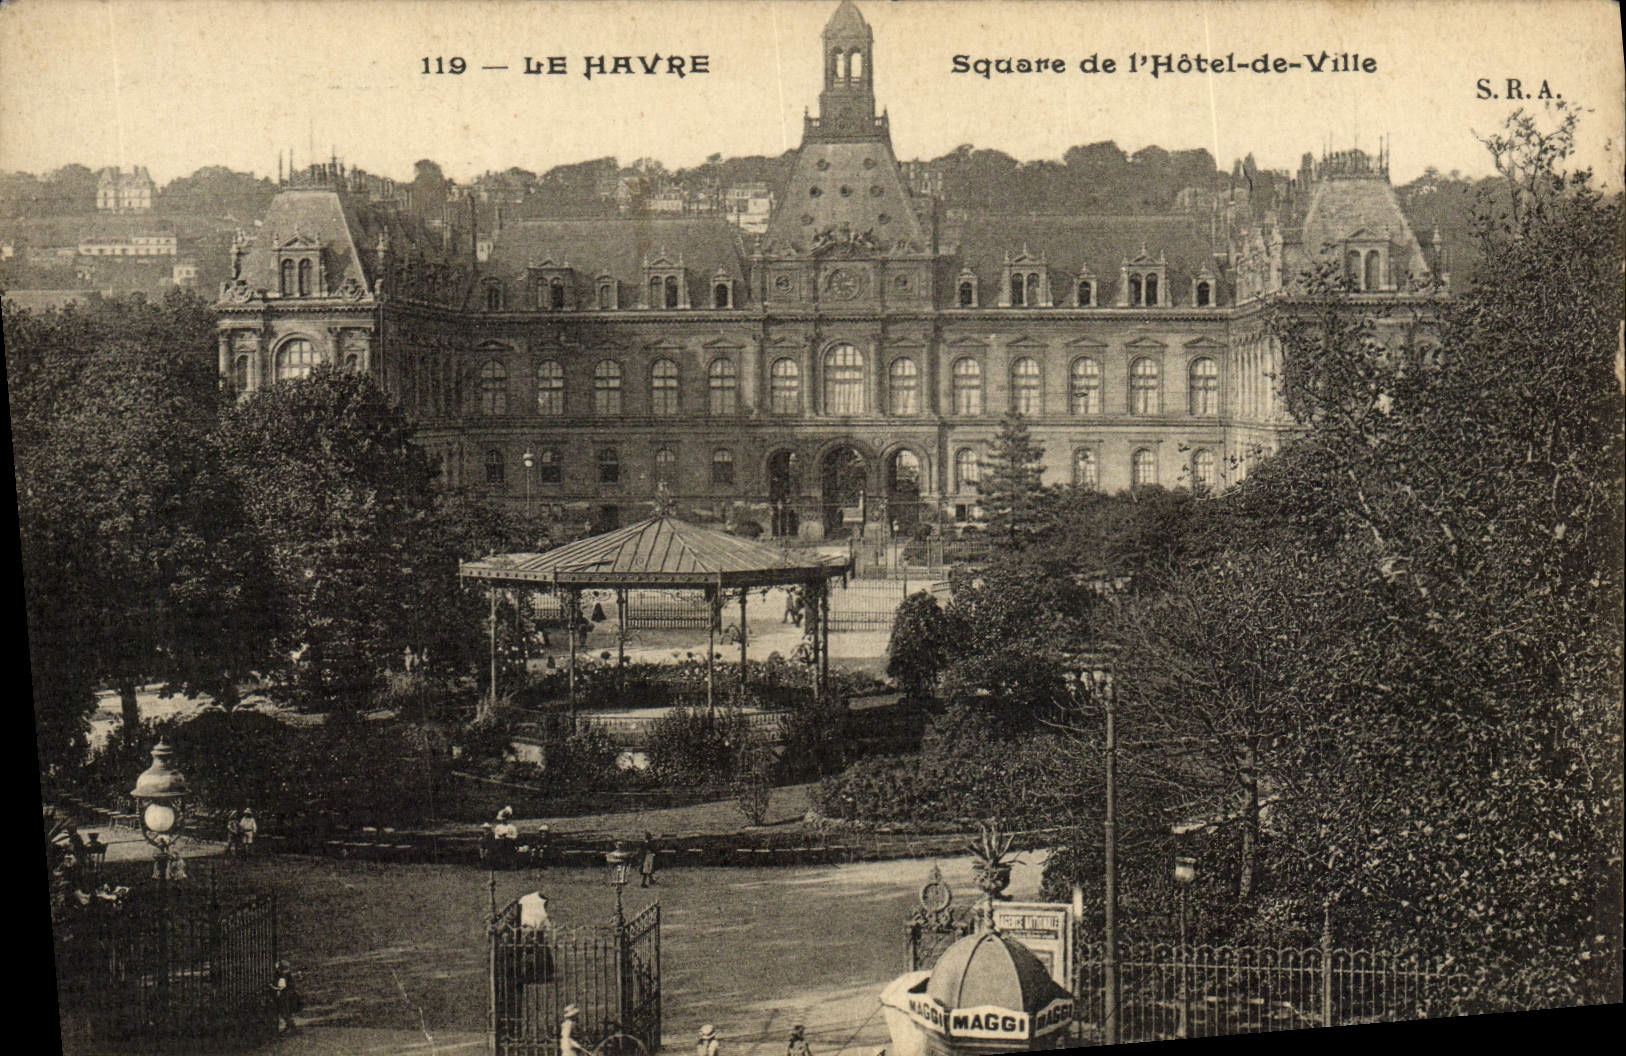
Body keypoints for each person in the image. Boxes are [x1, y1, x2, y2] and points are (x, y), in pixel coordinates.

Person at [270, 960, 302, 1033]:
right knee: (287, 1012)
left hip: (285, 996)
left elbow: (281, 987)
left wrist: (272, 987)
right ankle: (290, 1027)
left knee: (285, 1012)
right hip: (291, 995)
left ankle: (292, 1027)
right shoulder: (289, 974)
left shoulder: (283, 976)